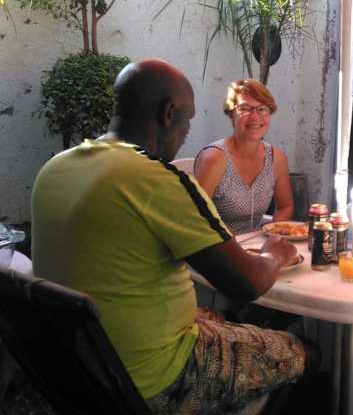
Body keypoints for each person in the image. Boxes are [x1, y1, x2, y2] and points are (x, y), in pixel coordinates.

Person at [31, 59, 316, 413]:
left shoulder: (55, 168)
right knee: (307, 351)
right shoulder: (156, 180)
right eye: (188, 119)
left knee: (232, 323)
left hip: (77, 369)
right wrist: (275, 253)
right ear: (169, 113)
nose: (185, 134)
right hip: (154, 376)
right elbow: (247, 283)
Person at [195, 79, 294, 235]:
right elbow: (197, 217)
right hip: (218, 244)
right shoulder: (214, 158)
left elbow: (285, 206)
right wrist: (235, 245)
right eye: (245, 109)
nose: (255, 117)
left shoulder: (276, 158)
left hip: (257, 243)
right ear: (230, 113)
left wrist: (272, 235)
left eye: (262, 109)